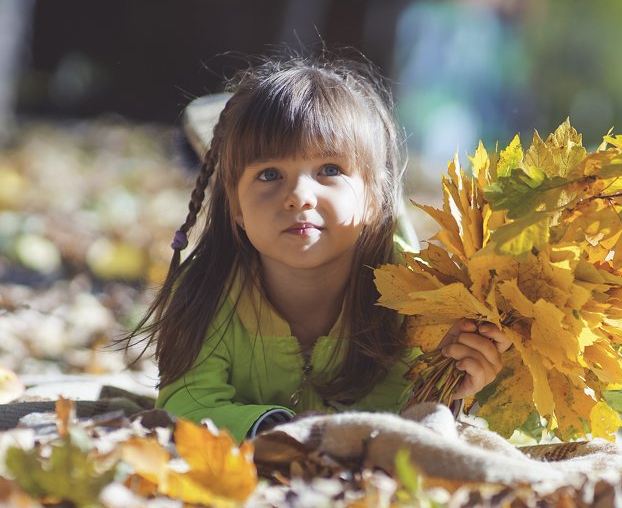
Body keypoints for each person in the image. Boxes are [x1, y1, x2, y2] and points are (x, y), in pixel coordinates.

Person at [128, 54, 509, 442]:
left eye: (329, 170)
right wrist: (281, 431)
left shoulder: (417, 301)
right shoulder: (207, 291)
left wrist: (456, 386)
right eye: (270, 174)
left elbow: (414, 411)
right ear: (235, 207)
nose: (298, 197)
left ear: (374, 198)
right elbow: (185, 405)